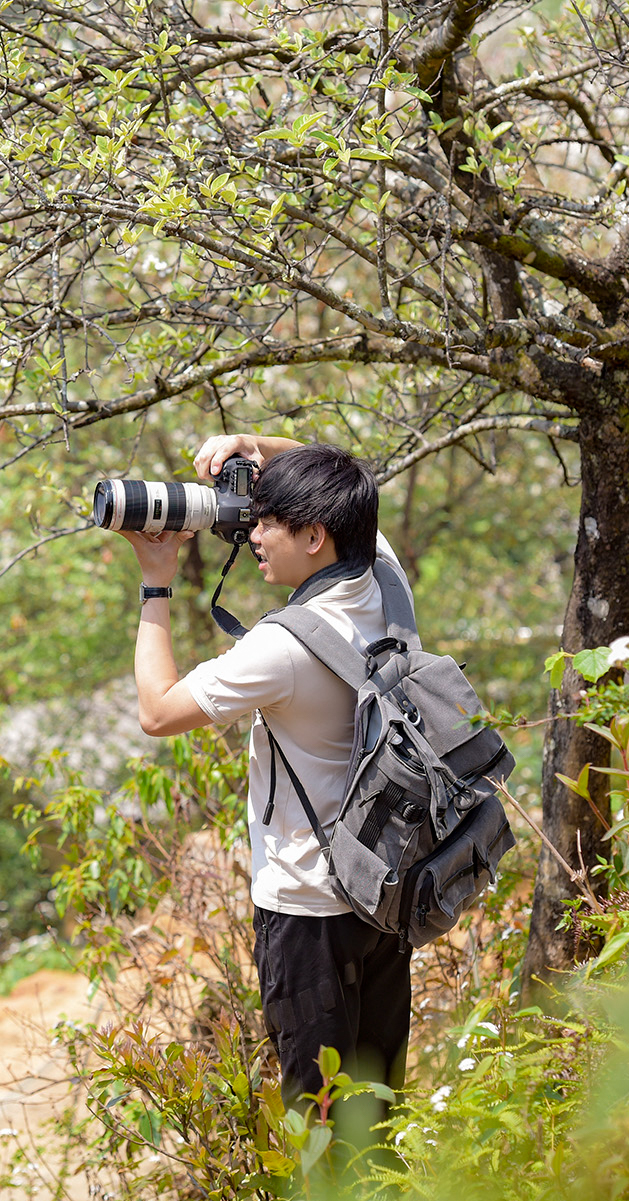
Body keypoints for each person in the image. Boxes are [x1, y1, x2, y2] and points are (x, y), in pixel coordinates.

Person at [115, 433, 412, 1113]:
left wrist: (155, 579)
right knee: (379, 1107)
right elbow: (345, 476)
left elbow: (158, 712)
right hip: (384, 889)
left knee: (320, 1115)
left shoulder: (283, 646)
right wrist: (253, 445)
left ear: (313, 536)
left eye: (269, 519)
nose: (252, 530)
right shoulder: (383, 577)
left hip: (309, 909)